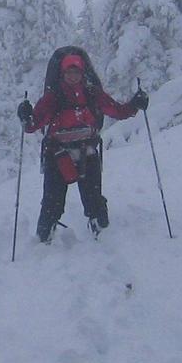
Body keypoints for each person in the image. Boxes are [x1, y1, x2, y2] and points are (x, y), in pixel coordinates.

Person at [17, 49, 148, 243]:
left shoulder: (92, 94)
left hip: (87, 154)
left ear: (82, 73)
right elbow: (32, 125)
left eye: (76, 72)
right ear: (63, 73)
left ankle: (101, 232)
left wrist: (136, 105)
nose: (73, 76)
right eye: (69, 72)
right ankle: (44, 239)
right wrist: (25, 116)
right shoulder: (52, 98)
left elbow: (118, 111)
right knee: (52, 202)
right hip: (58, 155)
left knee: (94, 200)